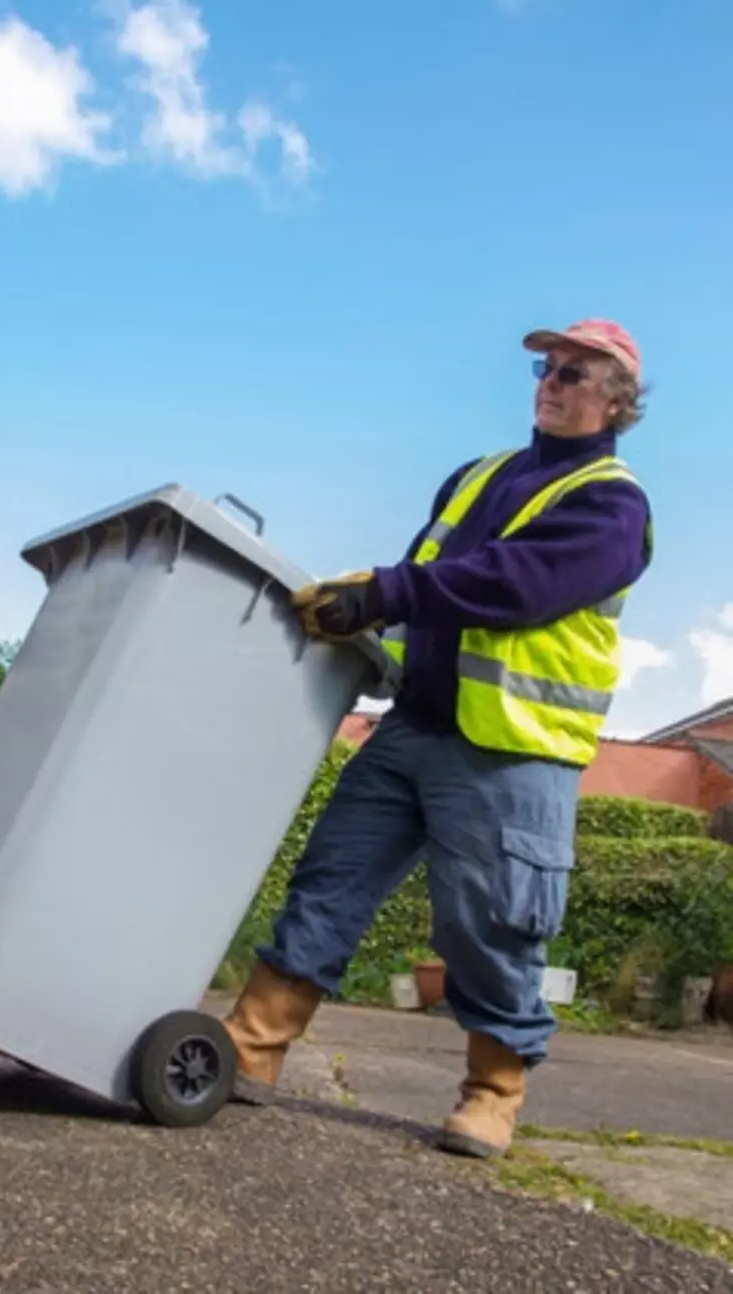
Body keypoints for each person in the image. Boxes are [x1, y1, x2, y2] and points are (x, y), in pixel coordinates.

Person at [223, 318, 653, 1158]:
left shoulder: (612, 503)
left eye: (576, 373)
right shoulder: (479, 475)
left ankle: (494, 1092)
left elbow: (513, 585)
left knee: (489, 924)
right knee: (328, 883)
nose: (552, 381)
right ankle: (248, 1051)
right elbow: (431, 578)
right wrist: (365, 640)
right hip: (413, 727)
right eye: (546, 366)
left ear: (617, 401)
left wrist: (383, 591)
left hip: (511, 749)